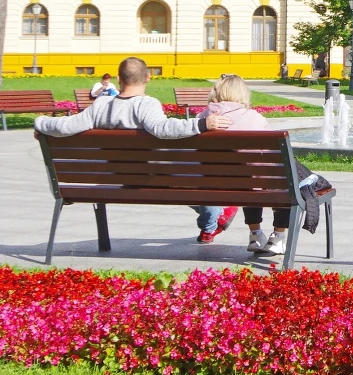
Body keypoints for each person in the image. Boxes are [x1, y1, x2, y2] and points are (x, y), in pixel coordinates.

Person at [34, 57, 234, 243]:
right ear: (148, 77)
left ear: (119, 78)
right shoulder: (147, 104)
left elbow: (66, 126)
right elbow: (162, 129)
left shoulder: (101, 105)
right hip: (155, 177)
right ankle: (213, 217)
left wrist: (40, 123)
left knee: (172, 176)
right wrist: (202, 124)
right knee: (186, 173)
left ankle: (212, 217)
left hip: (121, 178)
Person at [195, 75, 288, 256]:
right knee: (279, 180)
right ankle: (278, 236)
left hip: (213, 186)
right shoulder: (254, 118)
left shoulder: (203, 117)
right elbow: (269, 157)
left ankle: (255, 235)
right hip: (248, 183)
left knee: (250, 179)